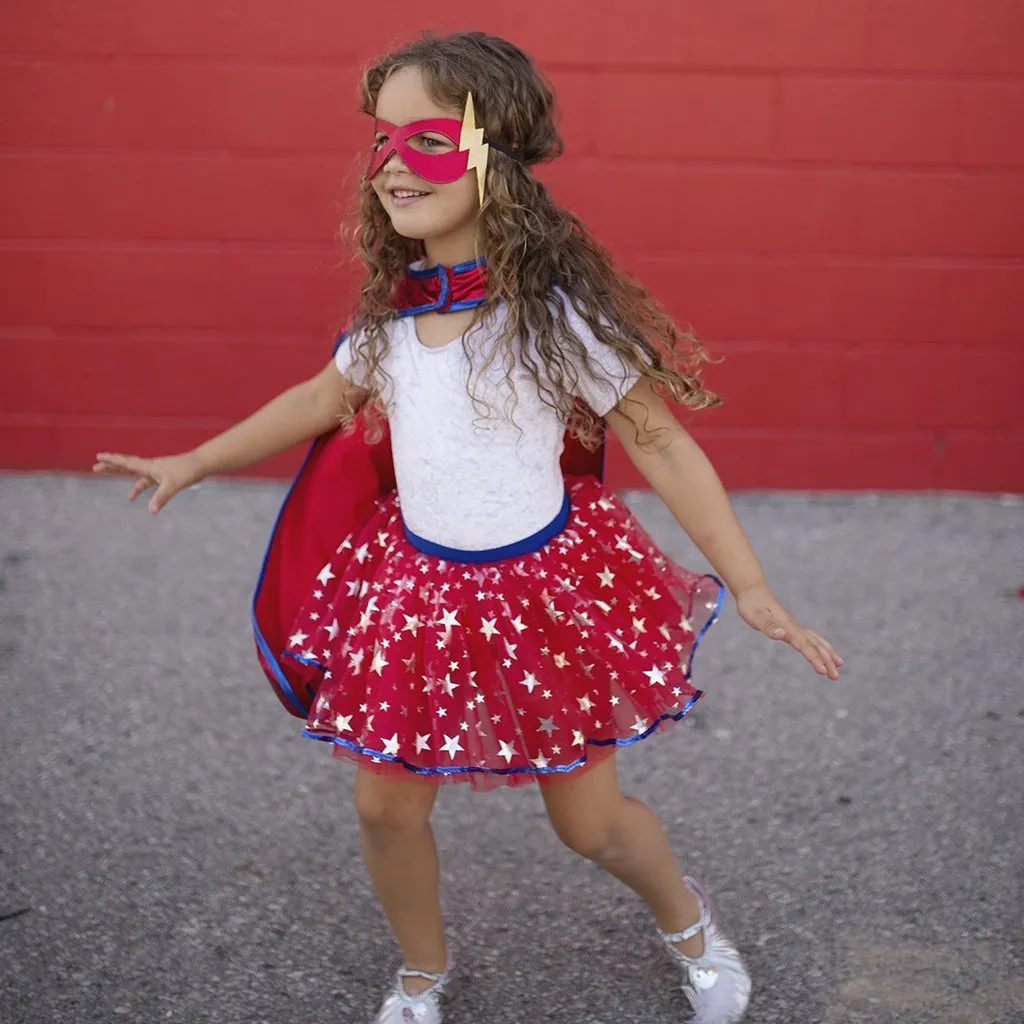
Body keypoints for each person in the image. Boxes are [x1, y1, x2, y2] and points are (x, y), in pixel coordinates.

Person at [94, 30, 842, 1024]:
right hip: (418, 596)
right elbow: (317, 401)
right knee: (384, 804)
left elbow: (659, 442)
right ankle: (419, 971)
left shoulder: (555, 321)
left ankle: (691, 928)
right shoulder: (389, 327)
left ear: (498, 159)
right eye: (382, 140)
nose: (394, 162)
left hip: (543, 592)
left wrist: (747, 582)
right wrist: (192, 460)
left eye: (428, 139)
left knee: (590, 824)